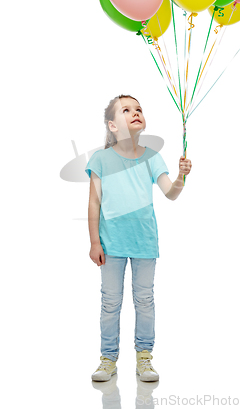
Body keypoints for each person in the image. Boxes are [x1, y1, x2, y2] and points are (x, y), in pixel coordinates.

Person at [85, 94, 192, 382]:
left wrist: (181, 177)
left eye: (139, 109)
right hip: (111, 244)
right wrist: (95, 241)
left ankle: (144, 357)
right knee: (110, 301)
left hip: (144, 243)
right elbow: (94, 202)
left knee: (144, 300)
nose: (135, 112)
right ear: (113, 125)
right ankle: (108, 358)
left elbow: (170, 193)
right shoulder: (101, 159)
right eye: (126, 110)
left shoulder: (152, 158)